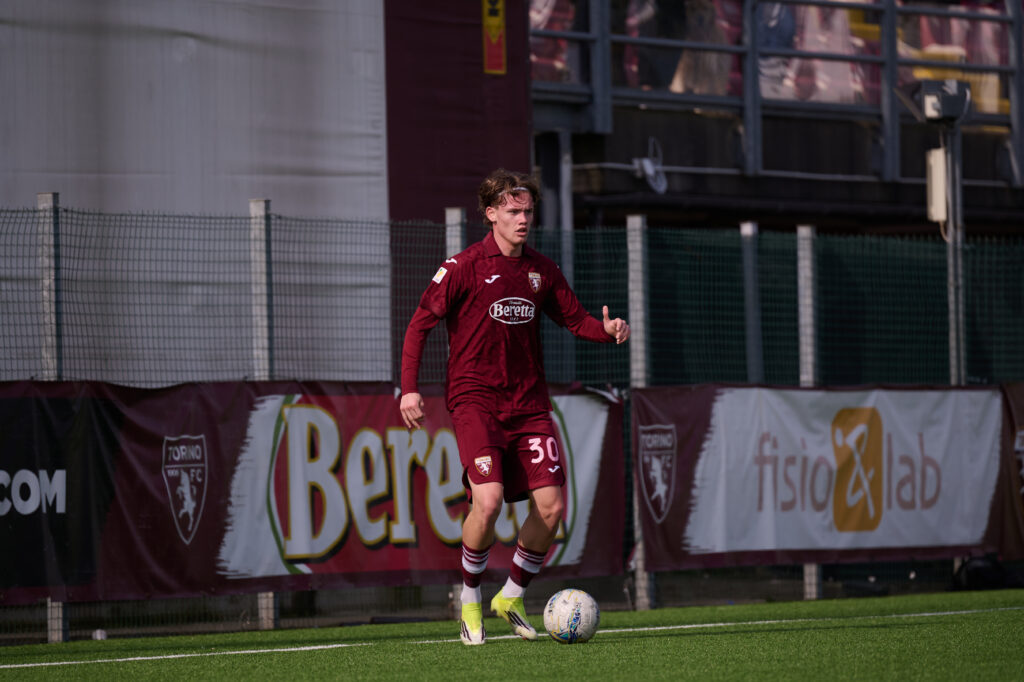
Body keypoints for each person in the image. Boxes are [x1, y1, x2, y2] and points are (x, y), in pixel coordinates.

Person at [399, 169, 630, 645]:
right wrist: (409, 389)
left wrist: (605, 332)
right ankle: (469, 602)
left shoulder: (541, 270)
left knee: (552, 507)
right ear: (490, 214)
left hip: (529, 405)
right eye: (513, 211)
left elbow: (577, 319)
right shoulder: (462, 267)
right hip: (474, 400)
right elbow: (419, 325)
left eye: (528, 211)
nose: (523, 219)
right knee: (487, 502)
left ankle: (510, 595)